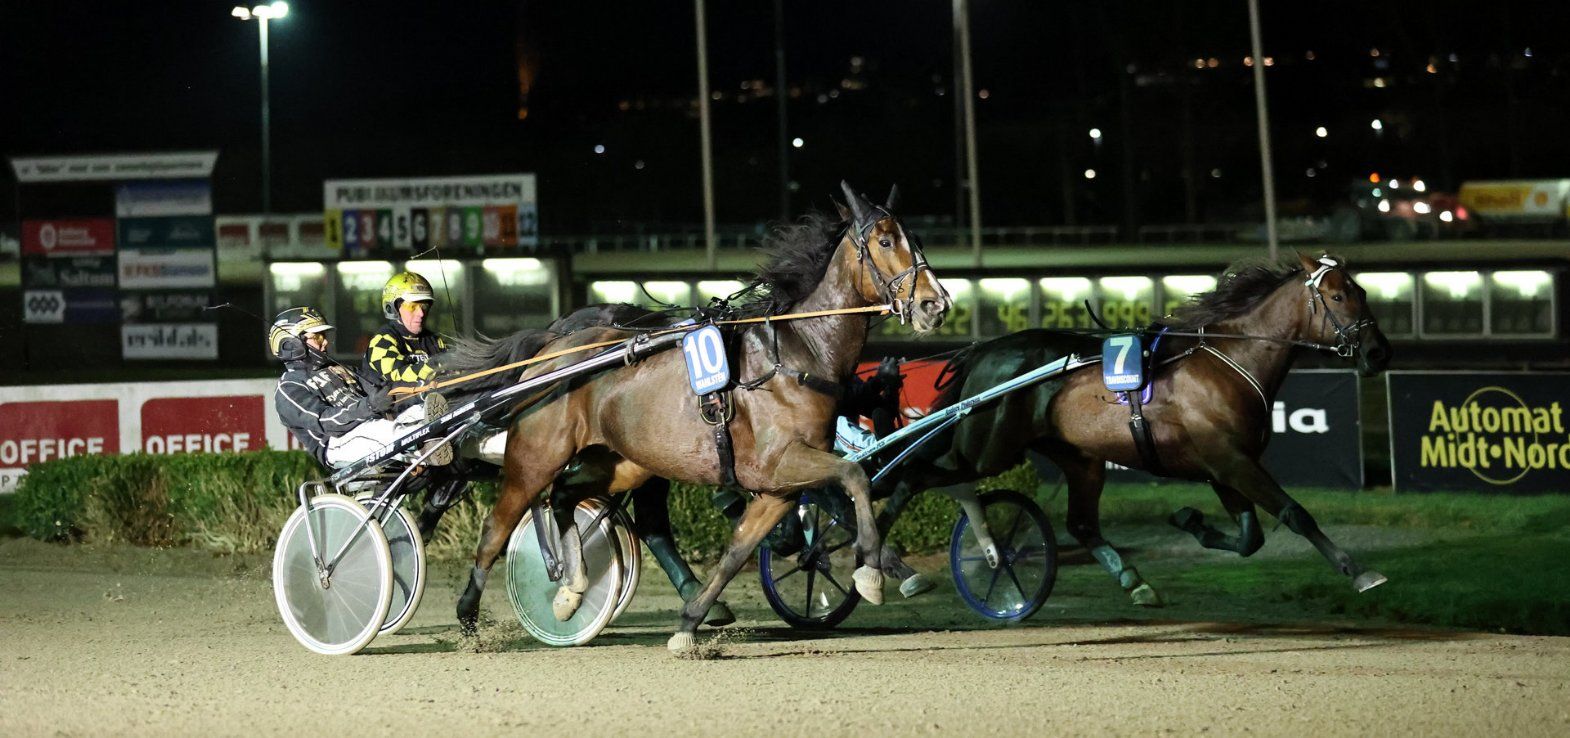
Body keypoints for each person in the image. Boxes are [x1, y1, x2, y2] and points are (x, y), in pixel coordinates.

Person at [269, 306, 426, 468]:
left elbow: (383, 389)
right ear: (292, 344)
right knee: (382, 430)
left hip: (373, 424)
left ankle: (434, 440)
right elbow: (326, 422)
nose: (325, 341)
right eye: (317, 336)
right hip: (337, 443)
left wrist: (421, 390)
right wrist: (370, 405)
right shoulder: (288, 387)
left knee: (419, 413)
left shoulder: (340, 368)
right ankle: (427, 448)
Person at [362, 271, 448, 391]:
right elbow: (398, 376)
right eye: (412, 306)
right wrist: (439, 365)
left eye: (424, 306)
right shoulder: (382, 341)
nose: (421, 313)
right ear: (393, 308)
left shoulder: (434, 340)